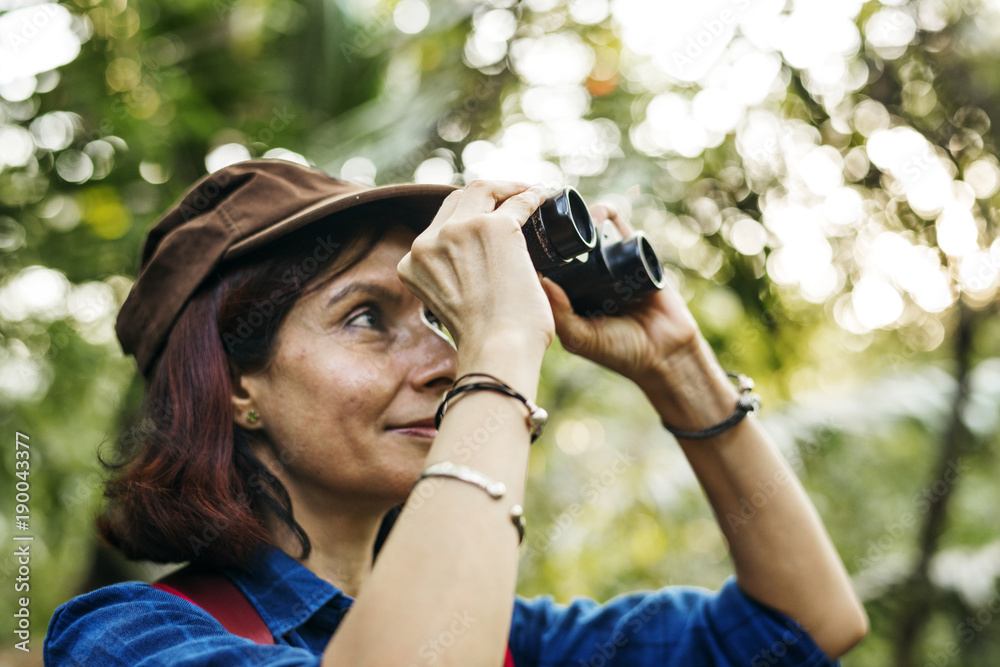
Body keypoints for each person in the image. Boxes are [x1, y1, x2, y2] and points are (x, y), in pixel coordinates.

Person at [43, 158, 867, 666]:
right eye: (367, 317)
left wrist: (679, 364)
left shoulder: (511, 640)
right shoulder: (125, 640)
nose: (445, 360)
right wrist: (502, 341)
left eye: (438, 318)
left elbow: (804, 626)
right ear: (235, 385)